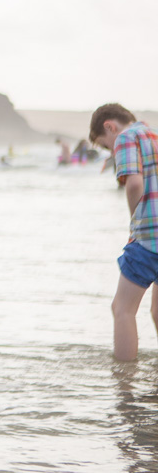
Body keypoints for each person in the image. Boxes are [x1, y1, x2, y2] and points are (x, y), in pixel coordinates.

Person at [89, 104, 158, 362]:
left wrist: (135, 222)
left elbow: (135, 183)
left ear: (110, 126)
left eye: (106, 145)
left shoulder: (126, 137)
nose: (110, 149)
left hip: (149, 236)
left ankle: (125, 384)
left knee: (122, 309)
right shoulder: (154, 134)